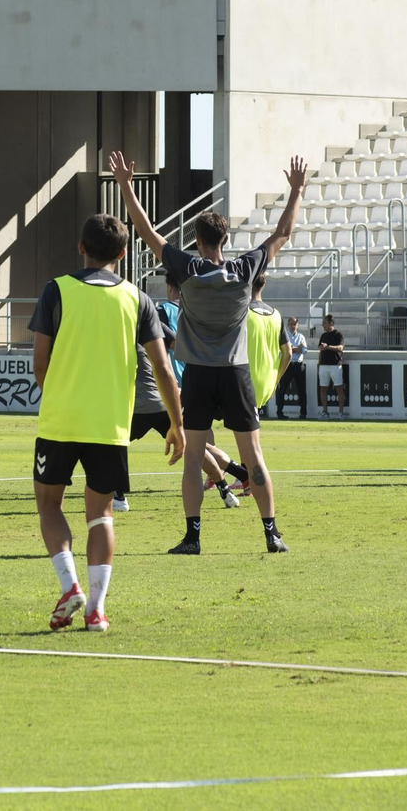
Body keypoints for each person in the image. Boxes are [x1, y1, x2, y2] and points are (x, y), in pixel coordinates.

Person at [111, 149, 307, 555]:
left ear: (198, 242)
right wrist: (296, 190)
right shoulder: (244, 270)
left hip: (198, 374)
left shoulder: (188, 270)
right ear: (226, 241)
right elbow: (282, 234)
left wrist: (127, 186)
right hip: (235, 373)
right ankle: (272, 533)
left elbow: (146, 231)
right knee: (252, 454)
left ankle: (193, 536)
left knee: (194, 456)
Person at [30, 213, 183, 632]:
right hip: (111, 427)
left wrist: (59, 393)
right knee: (100, 514)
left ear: (80, 247)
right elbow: (164, 369)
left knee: (49, 504)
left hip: (60, 421)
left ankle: (69, 586)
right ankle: (96, 609)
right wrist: (177, 424)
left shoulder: (55, 291)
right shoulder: (138, 299)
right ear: (122, 254)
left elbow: (39, 363)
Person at [115, 305, 241, 513]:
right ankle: (225, 490)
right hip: (163, 401)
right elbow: (175, 348)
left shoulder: (122, 334)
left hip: (140, 405)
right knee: (195, 447)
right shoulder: (152, 331)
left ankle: (118, 497)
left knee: (112, 445)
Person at [245, 274, 291, 420]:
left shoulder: (242, 313)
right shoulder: (276, 315)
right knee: (250, 429)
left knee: (201, 423)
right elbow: (288, 353)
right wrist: (275, 380)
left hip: (241, 382)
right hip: (265, 385)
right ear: (263, 286)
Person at [278, 314, 308, 420]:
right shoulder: (284, 335)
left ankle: (303, 413)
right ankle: (280, 412)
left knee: (302, 390)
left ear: (298, 325)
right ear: (287, 325)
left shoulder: (301, 337)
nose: (293, 326)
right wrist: (296, 348)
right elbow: (284, 350)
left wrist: (292, 348)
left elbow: (304, 350)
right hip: (287, 364)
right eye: (291, 324)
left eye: (295, 324)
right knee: (282, 389)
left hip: (299, 366)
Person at [317, 315, 346, 419]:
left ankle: (341, 413)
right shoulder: (323, 335)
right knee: (323, 389)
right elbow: (321, 349)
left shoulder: (339, 335)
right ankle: (325, 412)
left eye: (324, 323)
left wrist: (328, 347)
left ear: (331, 323)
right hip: (324, 366)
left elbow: (340, 348)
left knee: (338, 388)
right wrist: (319, 363)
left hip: (335, 365)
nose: (322, 325)